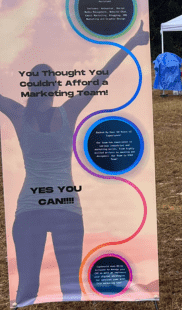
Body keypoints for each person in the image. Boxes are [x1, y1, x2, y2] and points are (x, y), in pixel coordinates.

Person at [0, 22, 148, 307]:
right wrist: (130, 43)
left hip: (29, 209)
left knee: (27, 286)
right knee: (70, 285)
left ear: (30, 86)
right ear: (55, 85)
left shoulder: (19, 114)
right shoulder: (68, 111)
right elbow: (101, 76)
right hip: (66, 208)